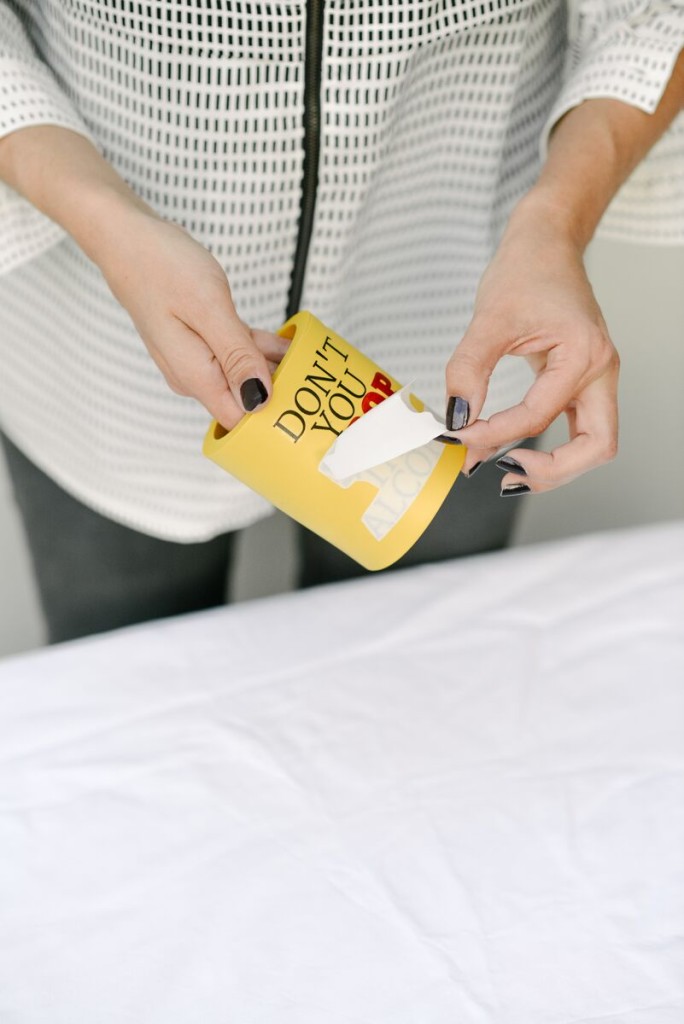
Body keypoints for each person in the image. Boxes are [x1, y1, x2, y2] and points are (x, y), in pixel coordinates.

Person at [0, 1, 682, 642]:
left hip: (466, 334)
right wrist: (106, 223)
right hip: (100, 338)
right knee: (128, 710)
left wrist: (557, 223)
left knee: (400, 693)